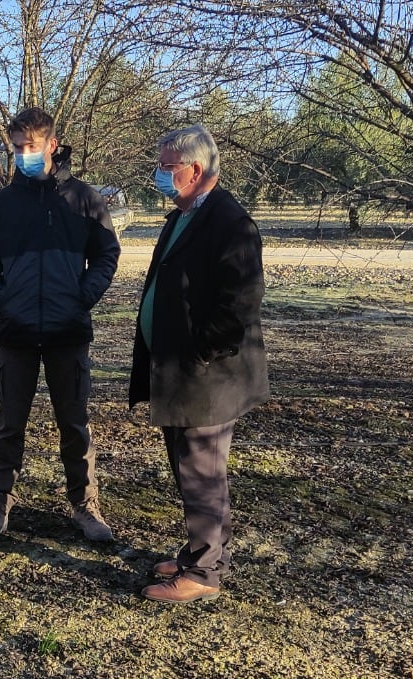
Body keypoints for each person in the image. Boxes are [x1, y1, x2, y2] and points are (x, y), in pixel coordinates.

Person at [0, 107, 122, 545]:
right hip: (14, 333)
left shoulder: (85, 199)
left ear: (52, 145)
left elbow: (107, 255)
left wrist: (81, 297)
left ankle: (84, 503)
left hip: (66, 332)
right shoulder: (0, 204)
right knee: (8, 424)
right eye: (16, 147)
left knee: (74, 422)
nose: (22, 155)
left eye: (30, 147)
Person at [129, 125, 268, 603]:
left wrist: (200, 354)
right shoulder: (183, 215)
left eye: (166, 168)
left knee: (201, 471)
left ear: (194, 170)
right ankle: (204, 554)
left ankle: (203, 574)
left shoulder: (230, 222)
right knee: (193, 468)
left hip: (207, 376)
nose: (159, 176)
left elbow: (240, 304)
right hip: (180, 371)